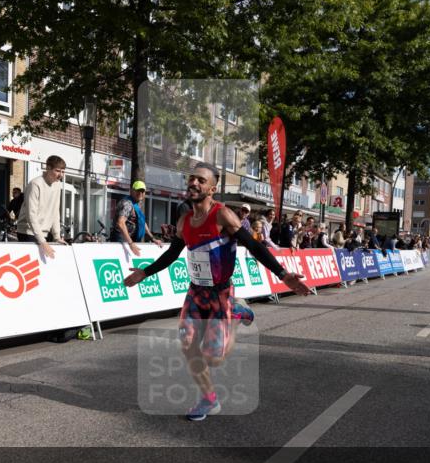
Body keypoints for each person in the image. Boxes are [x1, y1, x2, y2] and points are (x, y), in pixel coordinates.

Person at [124, 165, 308, 421]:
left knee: (214, 358)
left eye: (201, 180)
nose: (194, 183)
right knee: (187, 344)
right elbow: (171, 254)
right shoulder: (184, 221)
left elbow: (254, 245)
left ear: (212, 189)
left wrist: (282, 273)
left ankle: (236, 315)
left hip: (221, 292)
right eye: (192, 178)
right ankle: (209, 399)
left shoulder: (223, 216)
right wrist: (145, 272)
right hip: (196, 291)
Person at [17, 155, 67, 258]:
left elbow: (55, 212)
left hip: (43, 234)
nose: (60, 175)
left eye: (63, 172)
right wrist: (43, 242)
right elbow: (31, 215)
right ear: (48, 168)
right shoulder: (35, 184)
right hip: (28, 232)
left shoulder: (57, 185)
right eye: (58, 171)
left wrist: (57, 236)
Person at [109, 180, 163, 256]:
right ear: (132, 191)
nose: (140, 193)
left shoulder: (136, 204)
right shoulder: (127, 203)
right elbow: (120, 223)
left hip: (129, 241)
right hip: (122, 242)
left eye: (142, 191)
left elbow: (142, 222)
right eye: (138, 190)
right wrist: (131, 243)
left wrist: (153, 238)